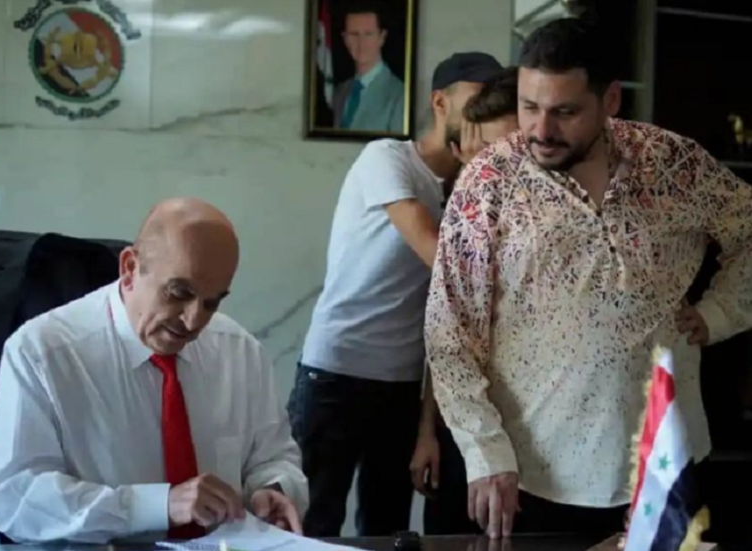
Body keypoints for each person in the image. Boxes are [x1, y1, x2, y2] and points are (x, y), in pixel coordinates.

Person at [425, 17, 752, 541]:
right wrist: (484, 450)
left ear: (610, 101)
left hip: (668, 460)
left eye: (565, 112)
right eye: (529, 107)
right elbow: (449, 334)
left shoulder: (674, 165)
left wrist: (720, 313)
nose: (541, 130)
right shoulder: (487, 183)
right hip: (533, 477)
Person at [0, 198, 308, 543]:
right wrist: (158, 505)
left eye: (211, 302)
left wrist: (272, 490)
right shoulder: (42, 353)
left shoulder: (239, 350)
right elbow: (18, 499)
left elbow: (275, 457)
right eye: (179, 293)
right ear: (129, 269)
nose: (194, 321)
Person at [287, 52, 506, 537]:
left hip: (403, 384)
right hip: (337, 371)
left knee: (385, 529)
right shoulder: (387, 158)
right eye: (478, 99)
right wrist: (477, 174)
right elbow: (441, 258)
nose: (487, 114)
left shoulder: (473, 186)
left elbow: (453, 314)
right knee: (311, 523)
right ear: (440, 103)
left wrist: (428, 425)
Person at [409, 67, 520, 537]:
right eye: (486, 153)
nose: (498, 168)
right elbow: (447, 338)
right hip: (463, 430)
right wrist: (428, 433)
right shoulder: (465, 213)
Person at [333, 1, 404, 133]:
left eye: (368, 34)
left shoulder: (399, 95)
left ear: (382, 37)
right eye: (354, 34)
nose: (361, 42)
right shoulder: (340, 92)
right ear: (344, 38)